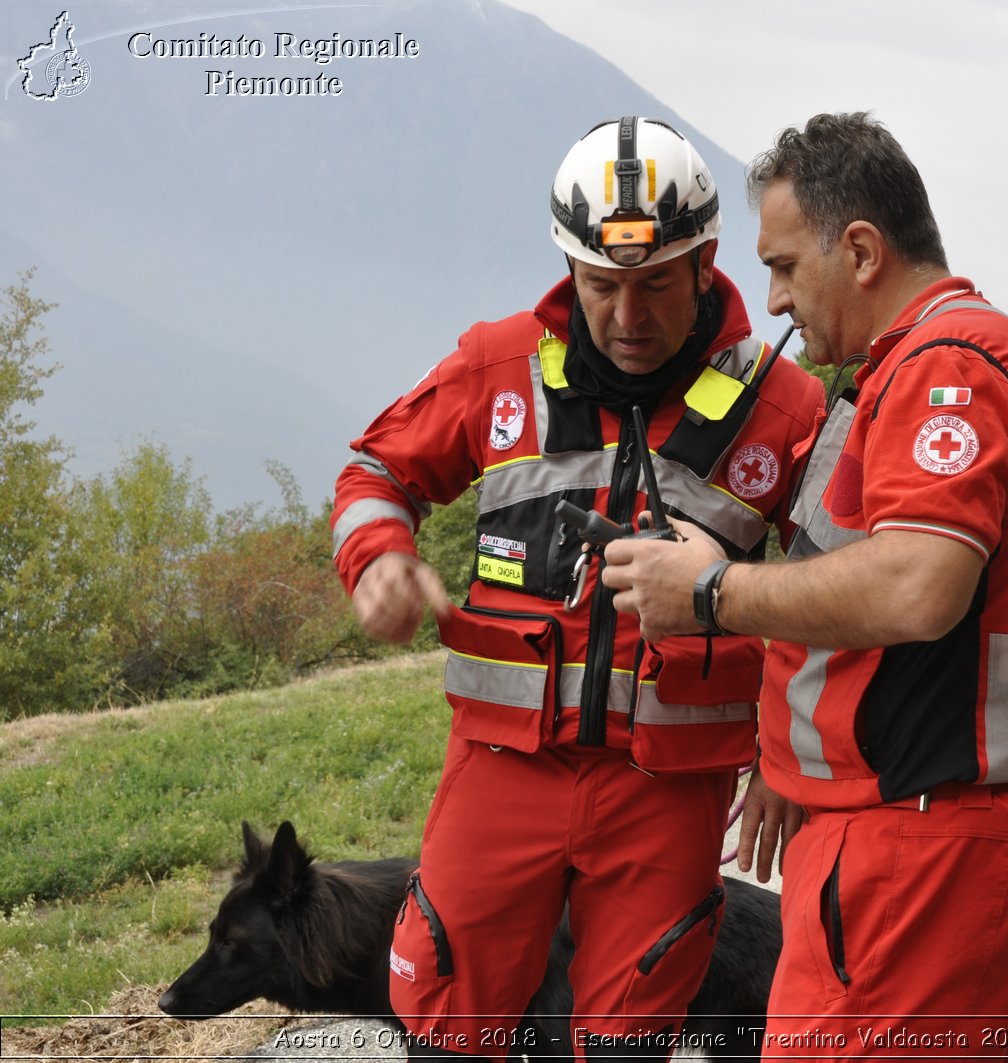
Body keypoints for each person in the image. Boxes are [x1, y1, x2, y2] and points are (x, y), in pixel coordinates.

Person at [329, 116, 824, 1061]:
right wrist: (380, 556)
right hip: (497, 776)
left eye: (654, 285)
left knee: (626, 1036)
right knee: (445, 1018)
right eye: (602, 286)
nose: (628, 317)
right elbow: (373, 474)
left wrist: (784, 756)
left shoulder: (788, 411)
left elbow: (846, 592)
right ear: (568, 267)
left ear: (706, 262)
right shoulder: (497, 365)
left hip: (670, 791)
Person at [599, 111, 1008, 1058]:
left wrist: (710, 590)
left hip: (927, 837)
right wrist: (790, 758)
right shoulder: (900, 369)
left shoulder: (948, 364)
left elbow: (917, 585)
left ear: (861, 249)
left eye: (783, 266)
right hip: (897, 828)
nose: (773, 298)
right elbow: (849, 593)